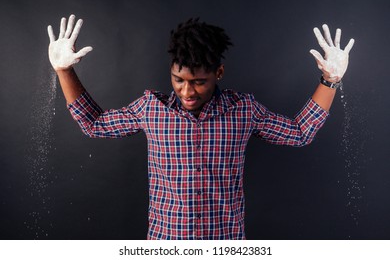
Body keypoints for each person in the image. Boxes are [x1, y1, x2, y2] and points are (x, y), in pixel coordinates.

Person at [47, 15, 354, 239]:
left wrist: (330, 81)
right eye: (178, 80)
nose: (187, 92)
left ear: (218, 72)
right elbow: (95, 124)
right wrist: (64, 71)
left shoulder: (243, 110)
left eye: (199, 82)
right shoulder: (149, 109)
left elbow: (299, 133)